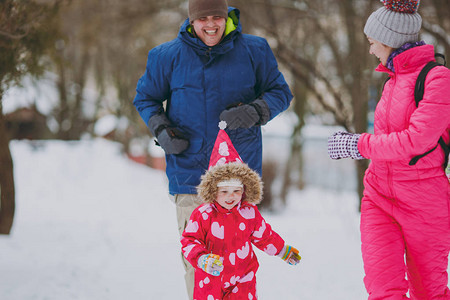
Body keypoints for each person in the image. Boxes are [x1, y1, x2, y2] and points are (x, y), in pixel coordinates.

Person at [132, 0, 292, 298]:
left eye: (216, 16)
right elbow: (145, 99)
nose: (210, 24)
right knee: (200, 265)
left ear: (227, 16)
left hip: (237, 180)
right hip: (190, 175)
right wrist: (162, 130)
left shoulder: (254, 50)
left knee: (239, 268)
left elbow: (281, 92)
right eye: (202, 17)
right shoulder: (166, 57)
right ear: (191, 19)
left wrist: (255, 111)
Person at [327, 0, 450, 299]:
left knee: (429, 293)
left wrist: (357, 144)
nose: (370, 50)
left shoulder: (438, 79)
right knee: (383, 291)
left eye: (372, 42)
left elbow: (416, 142)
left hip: (424, 204)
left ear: (391, 40)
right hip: (378, 199)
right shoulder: (391, 81)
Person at [181, 124, 300, 299]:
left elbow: (264, 236)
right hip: (210, 277)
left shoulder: (248, 213)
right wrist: (201, 259)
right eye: (224, 191)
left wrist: (283, 250)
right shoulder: (203, 214)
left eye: (236, 191)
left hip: (243, 278)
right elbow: (189, 240)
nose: (231, 197)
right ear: (213, 190)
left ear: (244, 190)